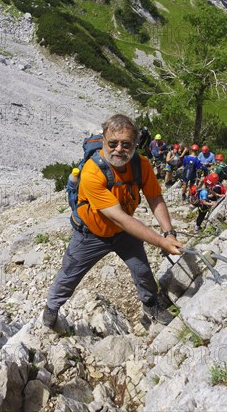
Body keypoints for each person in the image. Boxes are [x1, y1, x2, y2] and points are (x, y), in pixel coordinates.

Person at [43, 114, 184, 329]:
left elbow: (155, 198)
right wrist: (162, 243)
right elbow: (120, 217)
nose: (119, 149)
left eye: (126, 144)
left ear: (135, 145)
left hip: (123, 233)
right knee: (69, 275)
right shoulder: (92, 171)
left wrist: (169, 233)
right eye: (113, 143)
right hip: (90, 234)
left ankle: (150, 305)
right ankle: (51, 309)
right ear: (103, 143)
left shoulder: (142, 165)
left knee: (143, 271)